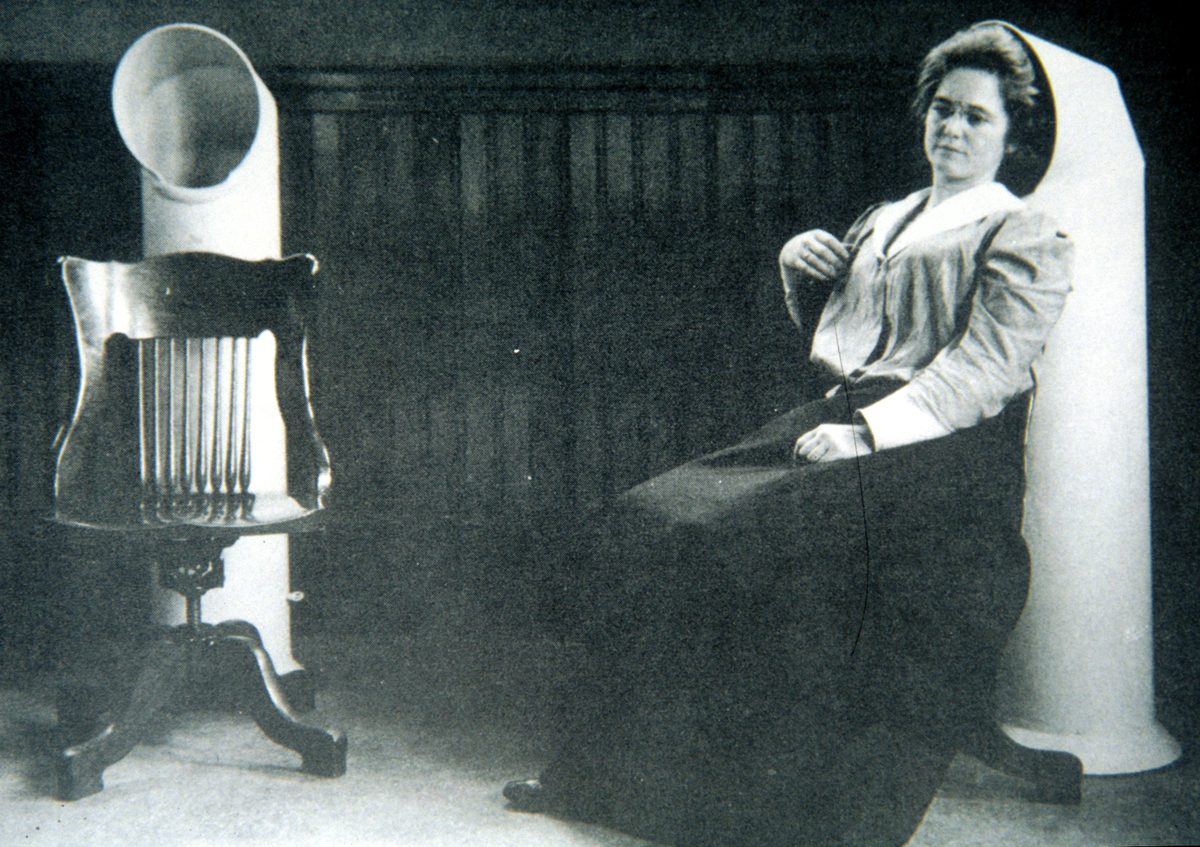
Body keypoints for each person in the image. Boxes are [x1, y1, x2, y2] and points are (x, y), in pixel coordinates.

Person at [504, 21, 1073, 847]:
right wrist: (803, 274)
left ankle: (766, 814)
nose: (951, 129)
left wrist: (870, 434)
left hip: (942, 451)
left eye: (976, 117)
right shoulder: (891, 215)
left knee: (742, 548)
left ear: (1012, 135)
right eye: (941, 110)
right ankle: (615, 781)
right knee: (652, 519)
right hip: (845, 415)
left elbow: (985, 369)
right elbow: (845, 343)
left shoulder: (1023, 232)